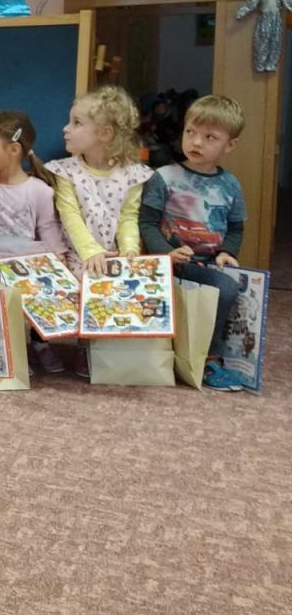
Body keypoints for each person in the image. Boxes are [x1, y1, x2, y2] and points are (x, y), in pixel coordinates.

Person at [138, 95, 247, 392]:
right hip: (170, 263)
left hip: (208, 264)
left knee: (230, 287)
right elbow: (147, 223)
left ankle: (210, 357)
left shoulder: (231, 185)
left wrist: (227, 252)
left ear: (230, 145)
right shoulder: (164, 177)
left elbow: (236, 227)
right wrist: (166, 252)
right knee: (217, 289)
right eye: (190, 132)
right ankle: (190, 357)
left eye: (210, 137)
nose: (196, 142)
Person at [0, 111, 69, 373]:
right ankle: (2, 349)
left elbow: (47, 226)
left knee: (44, 287)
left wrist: (58, 253)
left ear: (14, 149)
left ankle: (40, 343)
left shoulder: (39, 190)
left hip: (21, 257)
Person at [45, 86, 152, 278]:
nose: (65, 128)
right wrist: (91, 252)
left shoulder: (132, 174)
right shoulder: (65, 172)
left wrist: (129, 249)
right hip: (77, 256)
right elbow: (70, 216)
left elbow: (128, 217)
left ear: (105, 133)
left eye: (76, 123)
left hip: (113, 258)